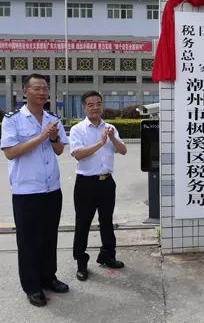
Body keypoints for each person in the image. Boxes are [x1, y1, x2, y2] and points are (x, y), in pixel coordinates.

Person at [0, 73, 69, 307]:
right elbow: (10, 152)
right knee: (29, 241)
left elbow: (59, 150)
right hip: (27, 191)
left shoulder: (53, 118)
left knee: (49, 237)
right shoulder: (13, 119)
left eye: (45, 88)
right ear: (25, 92)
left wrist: (52, 138)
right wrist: (41, 136)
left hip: (52, 188)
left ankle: (48, 277)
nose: (42, 92)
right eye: (37, 88)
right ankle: (31, 286)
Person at [69, 91, 127, 281]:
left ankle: (107, 255)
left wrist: (112, 139)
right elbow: (77, 154)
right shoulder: (78, 129)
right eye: (90, 104)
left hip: (107, 182)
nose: (95, 107)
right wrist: (100, 142)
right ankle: (81, 262)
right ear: (84, 107)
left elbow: (123, 151)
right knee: (83, 223)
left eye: (98, 103)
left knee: (107, 221)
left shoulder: (110, 128)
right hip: (86, 183)